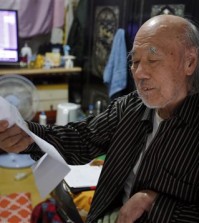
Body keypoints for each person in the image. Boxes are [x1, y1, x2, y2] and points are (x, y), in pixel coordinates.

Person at [0, 14, 199, 223]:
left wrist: (153, 204)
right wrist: (28, 136)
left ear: (189, 62)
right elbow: (81, 138)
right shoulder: (129, 107)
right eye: (135, 61)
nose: (139, 73)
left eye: (153, 60)